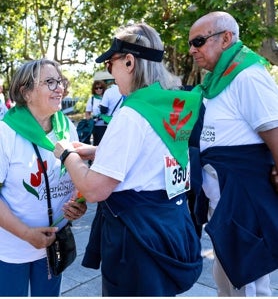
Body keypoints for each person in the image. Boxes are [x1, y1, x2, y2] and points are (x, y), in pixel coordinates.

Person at [53, 22, 203, 296]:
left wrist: (67, 153)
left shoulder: (132, 114)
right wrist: (97, 151)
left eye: (111, 64)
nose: (111, 73)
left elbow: (95, 189)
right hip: (171, 224)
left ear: (129, 61)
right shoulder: (169, 104)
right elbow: (152, 154)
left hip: (137, 237)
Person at [188, 11, 278, 296]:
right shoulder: (217, 81)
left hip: (244, 204)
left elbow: (275, 129)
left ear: (226, 38)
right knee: (226, 280)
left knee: (247, 283)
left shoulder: (248, 76)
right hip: (223, 204)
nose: (192, 50)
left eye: (199, 41)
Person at [0, 58, 87, 297]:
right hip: (12, 250)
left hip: (53, 246)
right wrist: (27, 234)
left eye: (60, 81)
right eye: (49, 82)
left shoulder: (66, 126)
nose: (60, 87)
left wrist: (79, 204)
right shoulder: (5, 134)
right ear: (25, 91)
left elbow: (75, 179)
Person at [85, 80, 107, 145]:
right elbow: (87, 113)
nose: (98, 89)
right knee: (98, 145)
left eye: (100, 88)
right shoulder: (92, 99)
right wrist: (90, 121)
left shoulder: (107, 97)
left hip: (108, 125)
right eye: (96, 88)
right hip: (97, 126)